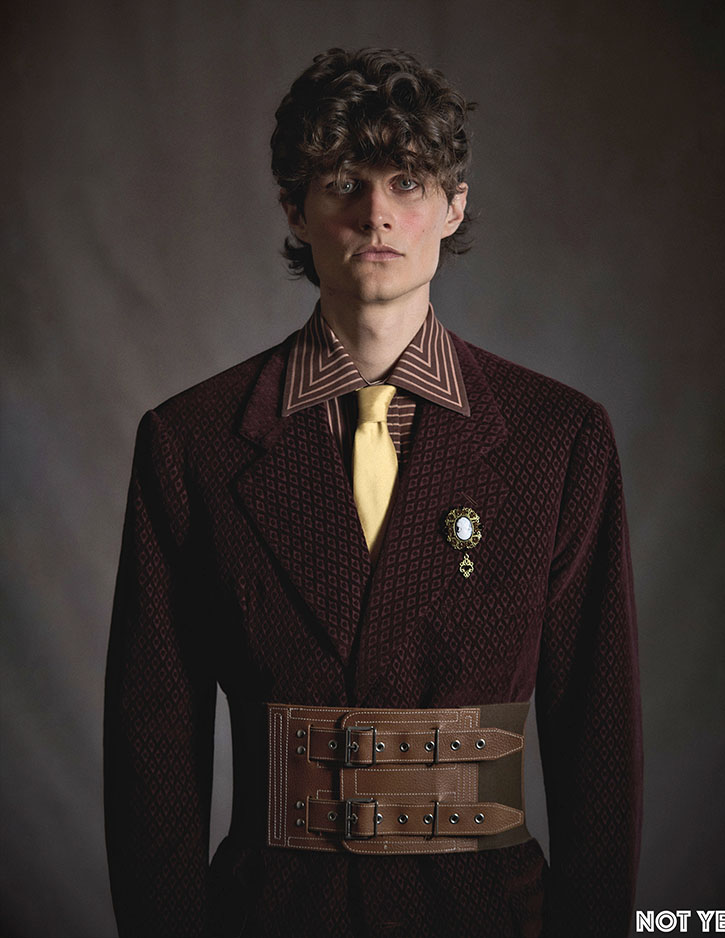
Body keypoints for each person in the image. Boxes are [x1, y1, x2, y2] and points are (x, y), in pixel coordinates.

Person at [104, 47, 642, 938]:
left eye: (408, 181)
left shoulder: (560, 438)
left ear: (454, 205)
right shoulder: (189, 441)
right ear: (295, 207)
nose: (377, 213)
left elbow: (599, 736)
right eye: (345, 182)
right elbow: (152, 744)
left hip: (489, 915)